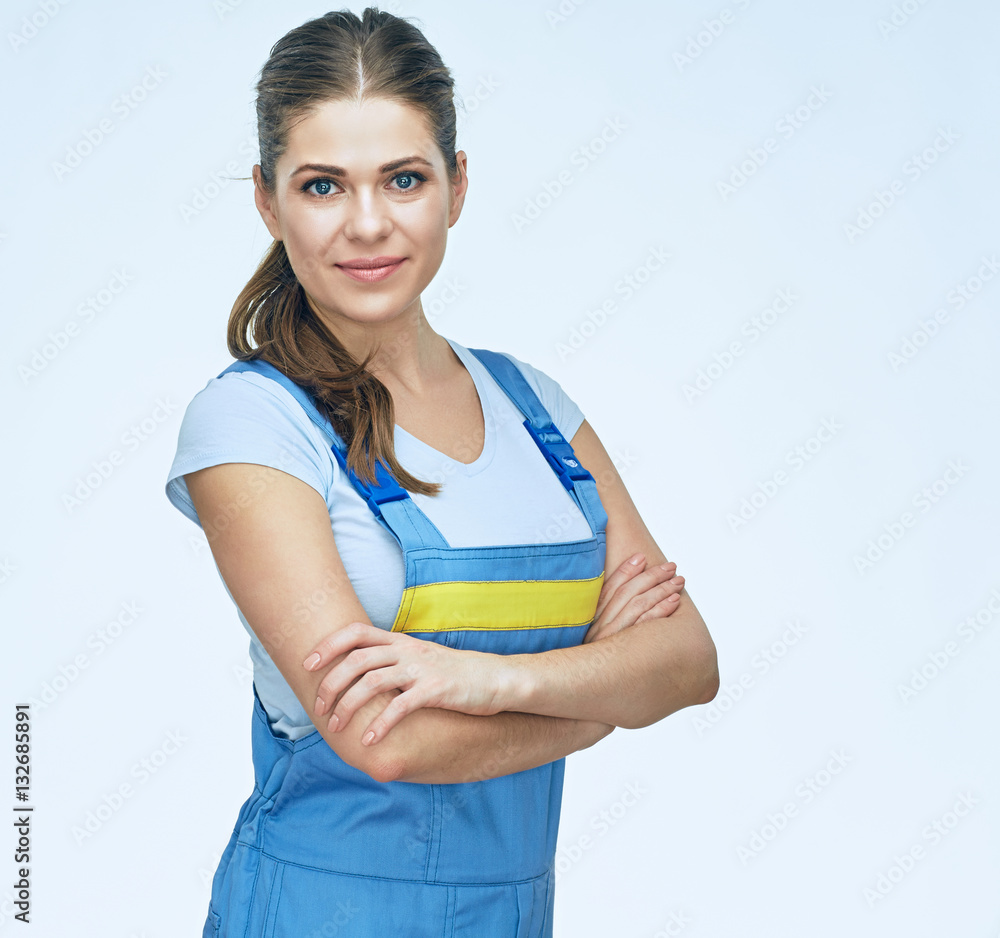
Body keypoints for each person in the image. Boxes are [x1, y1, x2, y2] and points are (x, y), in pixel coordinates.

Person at [164, 8, 718, 936]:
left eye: (405, 178)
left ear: (457, 188)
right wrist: (604, 700)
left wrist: (490, 683)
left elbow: (688, 662)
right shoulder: (254, 421)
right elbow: (384, 737)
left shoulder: (535, 411)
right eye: (323, 186)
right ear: (267, 200)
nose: (368, 223)